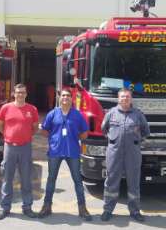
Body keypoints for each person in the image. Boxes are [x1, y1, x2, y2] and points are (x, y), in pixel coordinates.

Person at [38, 89, 92, 221]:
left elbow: (85, 133)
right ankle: (46, 206)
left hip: (72, 151)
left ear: (71, 99)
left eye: (68, 96)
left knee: (78, 180)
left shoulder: (77, 115)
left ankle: (82, 208)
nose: (65, 98)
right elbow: (44, 130)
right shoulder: (52, 113)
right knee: (51, 179)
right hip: (55, 151)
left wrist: (74, 138)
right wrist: (53, 138)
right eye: (63, 95)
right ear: (59, 98)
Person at [100, 88, 150, 222]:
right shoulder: (111, 113)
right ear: (118, 98)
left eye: (127, 97)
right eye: (122, 97)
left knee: (133, 182)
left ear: (131, 99)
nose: (125, 99)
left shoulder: (138, 114)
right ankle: (107, 210)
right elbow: (103, 128)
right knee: (111, 181)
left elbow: (146, 131)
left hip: (133, 152)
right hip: (114, 152)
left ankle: (134, 211)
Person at [0, 84, 39, 220]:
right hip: (10, 147)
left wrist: (24, 136)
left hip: (25, 147)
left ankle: (27, 207)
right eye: (18, 92)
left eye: (23, 92)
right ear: (14, 93)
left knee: (26, 179)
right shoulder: (6, 108)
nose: (20, 94)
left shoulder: (32, 109)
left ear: (26, 94)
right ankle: (5, 208)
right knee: (7, 178)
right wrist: (10, 136)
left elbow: (35, 128)